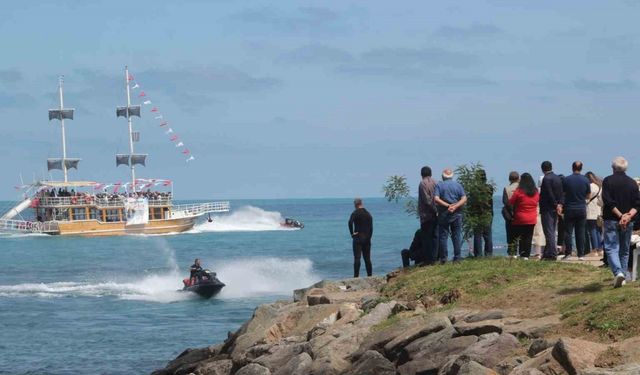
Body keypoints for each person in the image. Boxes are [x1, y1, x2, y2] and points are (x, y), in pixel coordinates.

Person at [601, 157, 640, 288]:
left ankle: (618, 273)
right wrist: (628, 216)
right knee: (624, 250)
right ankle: (623, 274)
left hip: (612, 219)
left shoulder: (607, 181)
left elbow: (608, 200)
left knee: (611, 247)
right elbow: (637, 204)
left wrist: (620, 215)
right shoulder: (632, 183)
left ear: (613, 168)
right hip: (628, 221)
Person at [435, 169, 467, 263]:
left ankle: (444, 258)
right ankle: (457, 258)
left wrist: (447, 205)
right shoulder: (458, 185)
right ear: (452, 176)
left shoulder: (439, 185)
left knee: (443, 236)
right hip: (457, 213)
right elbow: (464, 198)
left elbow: (436, 198)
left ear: (443, 176)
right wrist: (455, 205)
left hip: (444, 213)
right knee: (456, 236)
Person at [560, 162, 591, 261]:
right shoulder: (585, 180)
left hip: (569, 208)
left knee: (568, 232)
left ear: (572, 168)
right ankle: (581, 254)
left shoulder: (566, 179)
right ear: (581, 168)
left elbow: (563, 193)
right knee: (580, 232)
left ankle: (568, 253)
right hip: (581, 208)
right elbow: (588, 195)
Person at [509, 173, 540, 259]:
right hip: (532, 217)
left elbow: (511, 201)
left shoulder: (519, 191)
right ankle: (526, 255)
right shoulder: (535, 191)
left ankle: (520, 253)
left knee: (520, 236)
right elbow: (538, 200)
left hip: (520, 217)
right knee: (528, 237)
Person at [539, 161, 564, 261]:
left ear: (542, 168)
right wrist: (560, 204)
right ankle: (547, 252)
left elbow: (549, 193)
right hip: (556, 206)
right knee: (552, 230)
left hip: (548, 207)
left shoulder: (546, 179)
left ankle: (552, 254)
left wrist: (555, 204)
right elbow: (561, 192)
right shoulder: (557, 177)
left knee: (548, 231)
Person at [471, 169, 494, 257]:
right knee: (488, 235)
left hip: (476, 213)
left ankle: (478, 254)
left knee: (477, 235)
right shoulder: (489, 188)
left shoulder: (474, 189)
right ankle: (488, 254)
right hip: (488, 213)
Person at [417, 166, 438, 265]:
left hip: (426, 215)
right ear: (431, 173)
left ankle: (428, 260)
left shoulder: (422, 184)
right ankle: (435, 258)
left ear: (422, 174)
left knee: (426, 238)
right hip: (437, 214)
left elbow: (427, 200)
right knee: (435, 236)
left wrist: (434, 210)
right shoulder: (436, 182)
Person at [348, 198, 373, 277]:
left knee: (357, 257)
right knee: (367, 258)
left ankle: (356, 276)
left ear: (355, 204)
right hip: (367, 238)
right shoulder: (368, 214)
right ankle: (369, 275)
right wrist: (369, 237)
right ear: (361, 203)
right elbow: (371, 227)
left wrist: (352, 233)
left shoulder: (355, 213)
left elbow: (350, 222)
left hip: (358, 237)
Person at [585, 171, 603, 257]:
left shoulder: (590, 187)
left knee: (592, 231)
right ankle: (600, 249)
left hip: (590, 211)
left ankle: (594, 249)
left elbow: (587, 198)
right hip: (598, 211)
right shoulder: (599, 186)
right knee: (598, 231)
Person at [502, 171, 520, 256]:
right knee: (520, 234)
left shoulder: (506, 188)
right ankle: (521, 252)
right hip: (520, 213)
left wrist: (511, 211)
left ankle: (511, 252)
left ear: (509, 179)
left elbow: (505, 201)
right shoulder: (522, 188)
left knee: (510, 234)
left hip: (510, 215)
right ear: (518, 178)